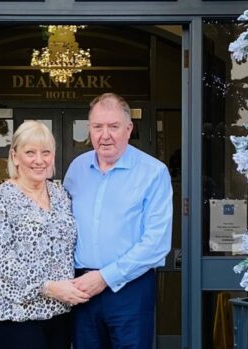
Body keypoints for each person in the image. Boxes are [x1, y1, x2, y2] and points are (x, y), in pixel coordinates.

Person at [64, 92, 173, 349]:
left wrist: (104, 277)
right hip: (81, 289)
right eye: (97, 127)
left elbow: (156, 243)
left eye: (113, 127)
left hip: (130, 290)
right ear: (89, 129)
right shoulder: (77, 169)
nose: (105, 135)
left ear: (128, 128)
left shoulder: (153, 172)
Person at [0, 121, 89, 349]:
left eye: (45, 152)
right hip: (16, 316)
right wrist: (48, 287)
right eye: (30, 152)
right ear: (15, 156)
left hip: (60, 314)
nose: (39, 160)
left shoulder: (61, 195)